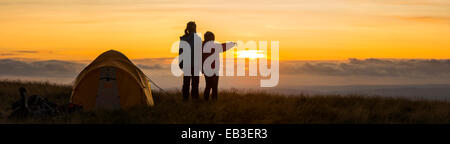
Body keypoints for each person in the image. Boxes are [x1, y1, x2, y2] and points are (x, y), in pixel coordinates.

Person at [202, 31, 236, 101]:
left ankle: (206, 101)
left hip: (207, 70)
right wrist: (232, 44)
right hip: (213, 70)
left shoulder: (202, 47)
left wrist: (202, 69)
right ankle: (213, 101)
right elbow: (223, 47)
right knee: (214, 86)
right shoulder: (213, 46)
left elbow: (200, 59)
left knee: (208, 86)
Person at [179, 21, 202, 101]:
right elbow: (200, 53)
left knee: (186, 83)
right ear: (195, 28)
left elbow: (181, 52)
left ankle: (185, 100)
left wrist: (180, 62)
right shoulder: (198, 38)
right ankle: (195, 99)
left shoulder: (183, 38)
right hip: (195, 65)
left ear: (187, 28)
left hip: (187, 64)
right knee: (195, 84)